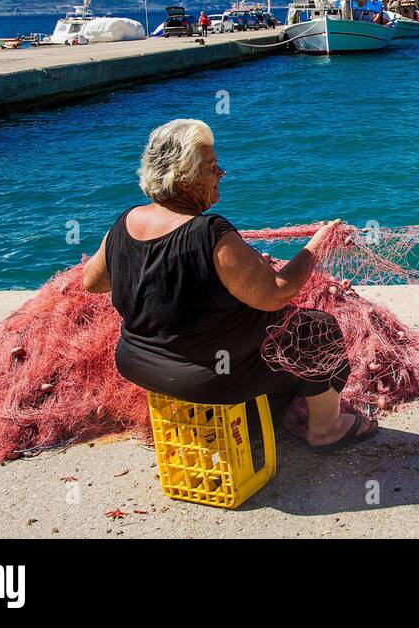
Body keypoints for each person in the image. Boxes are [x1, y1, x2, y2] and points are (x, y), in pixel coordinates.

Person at [82, 119, 377, 451]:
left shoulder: (126, 222)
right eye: (211, 167)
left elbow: (92, 281)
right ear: (182, 178)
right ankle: (328, 428)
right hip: (204, 376)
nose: (221, 173)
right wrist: (315, 248)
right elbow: (277, 293)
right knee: (315, 329)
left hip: (138, 364)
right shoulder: (209, 232)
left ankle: (251, 414)